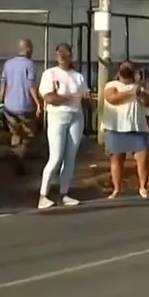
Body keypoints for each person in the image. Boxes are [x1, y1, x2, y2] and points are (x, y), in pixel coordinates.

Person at [37, 43, 90, 209]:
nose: (63, 55)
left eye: (66, 53)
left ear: (71, 56)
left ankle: (64, 193)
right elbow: (49, 98)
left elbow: (84, 98)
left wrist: (85, 99)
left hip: (76, 116)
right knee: (56, 157)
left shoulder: (78, 76)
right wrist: (69, 97)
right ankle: (43, 195)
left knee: (70, 158)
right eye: (59, 52)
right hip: (57, 117)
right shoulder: (50, 74)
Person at [103, 60, 149, 199]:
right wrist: (131, 92)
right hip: (116, 127)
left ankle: (143, 187)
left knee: (143, 158)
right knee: (116, 159)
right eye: (124, 68)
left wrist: (140, 92)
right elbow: (112, 98)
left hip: (137, 126)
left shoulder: (140, 87)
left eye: (129, 69)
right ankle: (116, 189)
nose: (126, 70)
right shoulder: (112, 85)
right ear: (119, 71)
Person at [0, 38, 43, 176]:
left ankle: (16, 155)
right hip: (25, 106)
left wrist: (2, 100)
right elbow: (31, 87)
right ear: (28, 49)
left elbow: (3, 84)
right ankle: (20, 160)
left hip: (9, 106)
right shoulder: (29, 64)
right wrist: (38, 104)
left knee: (15, 133)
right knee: (29, 134)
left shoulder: (7, 63)